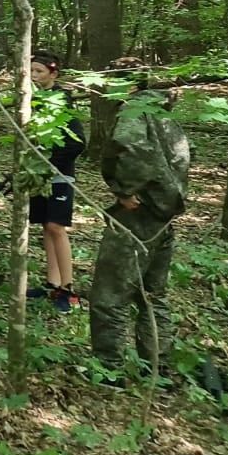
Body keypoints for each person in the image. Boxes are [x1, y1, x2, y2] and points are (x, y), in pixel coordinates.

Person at [90, 60, 190, 378]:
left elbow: (131, 145)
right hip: (163, 214)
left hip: (140, 217)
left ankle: (109, 370)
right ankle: (158, 367)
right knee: (152, 295)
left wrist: (127, 190)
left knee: (110, 294)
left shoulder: (135, 109)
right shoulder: (162, 113)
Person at [27, 51, 86, 312]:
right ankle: (52, 283)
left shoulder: (63, 101)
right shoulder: (31, 101)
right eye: (30, 71)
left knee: (56, 226)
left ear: (53, 73)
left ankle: (68, 288)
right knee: (45, 225)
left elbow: (77, 142)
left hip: (59, 173)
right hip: (36, 173)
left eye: (39, 71)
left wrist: (53, 160)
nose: (34, 76)